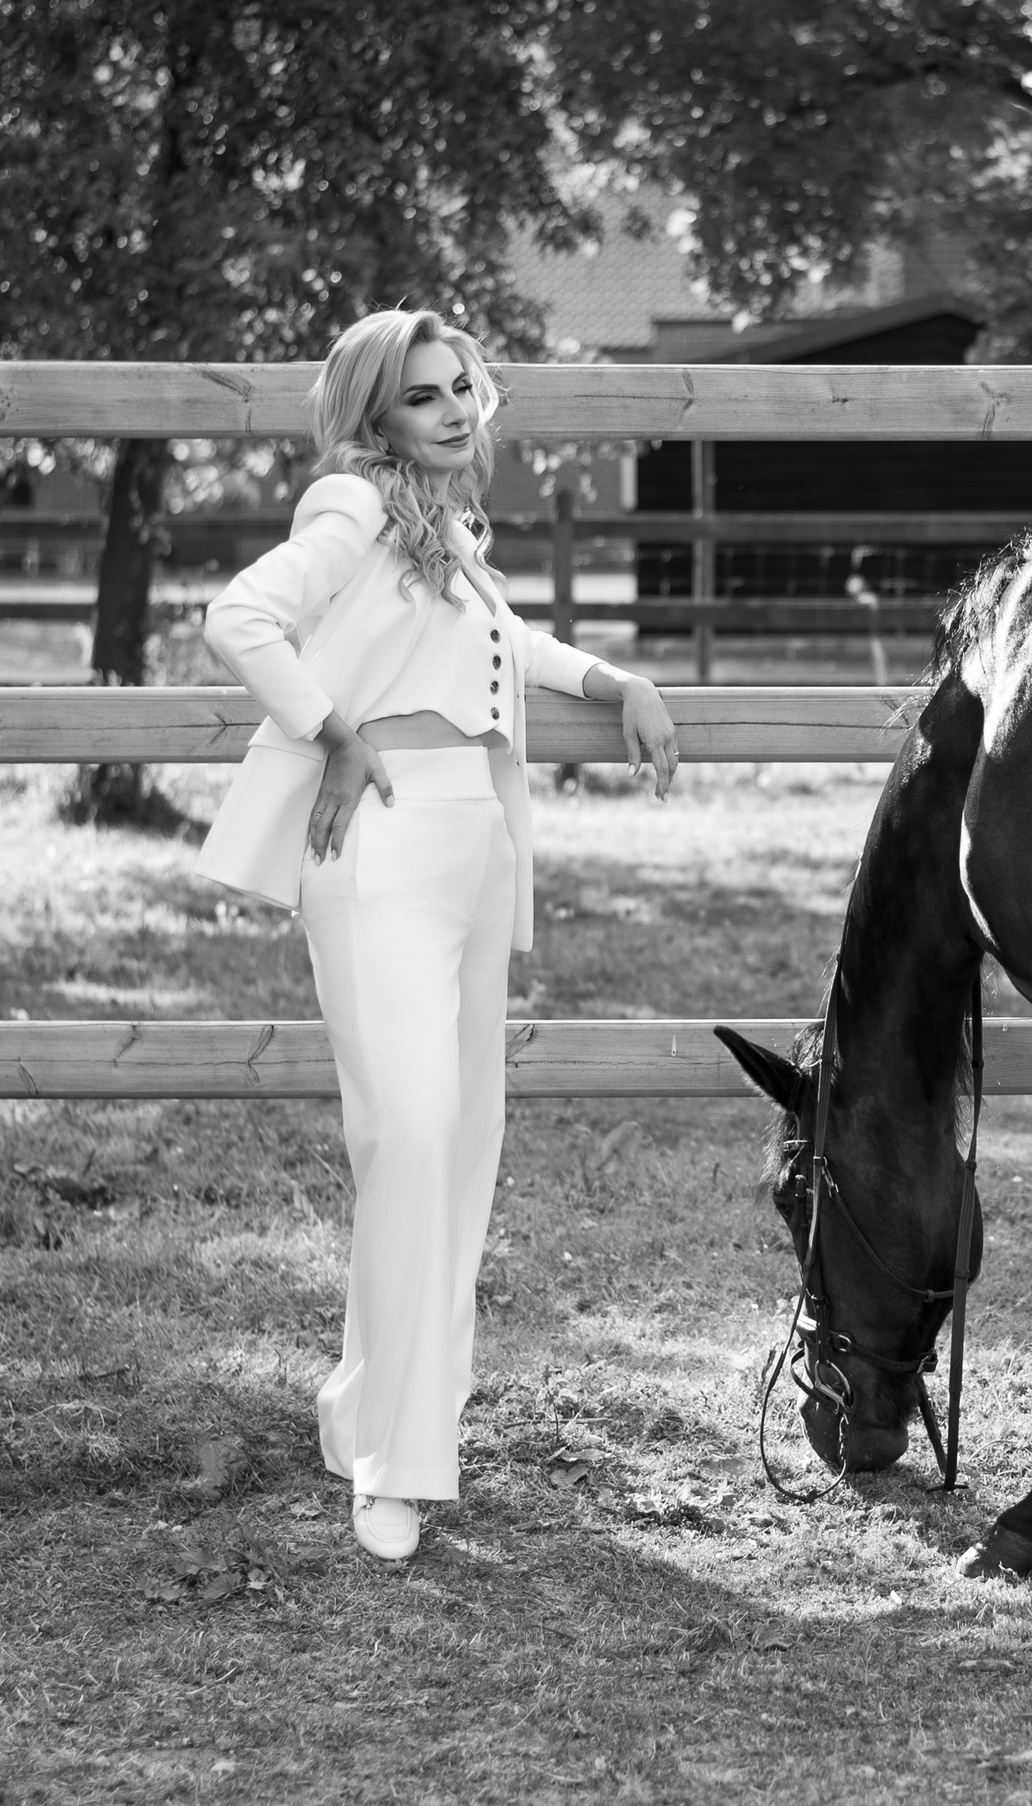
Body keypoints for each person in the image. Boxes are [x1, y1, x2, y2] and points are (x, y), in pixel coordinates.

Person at [196, 308, 679, 1561]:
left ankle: (374, 1406)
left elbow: (502, 648)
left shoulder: (447, 528)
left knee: (461, 1144)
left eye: (463, 385)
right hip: (384, 843)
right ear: (376, 417)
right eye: (423, 397)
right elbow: (239, 618)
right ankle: (391, 1465)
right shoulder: (352, 505)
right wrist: (331, 731)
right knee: (408, 1137)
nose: (456, 409)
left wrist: (612, 682)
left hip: (473, 842)